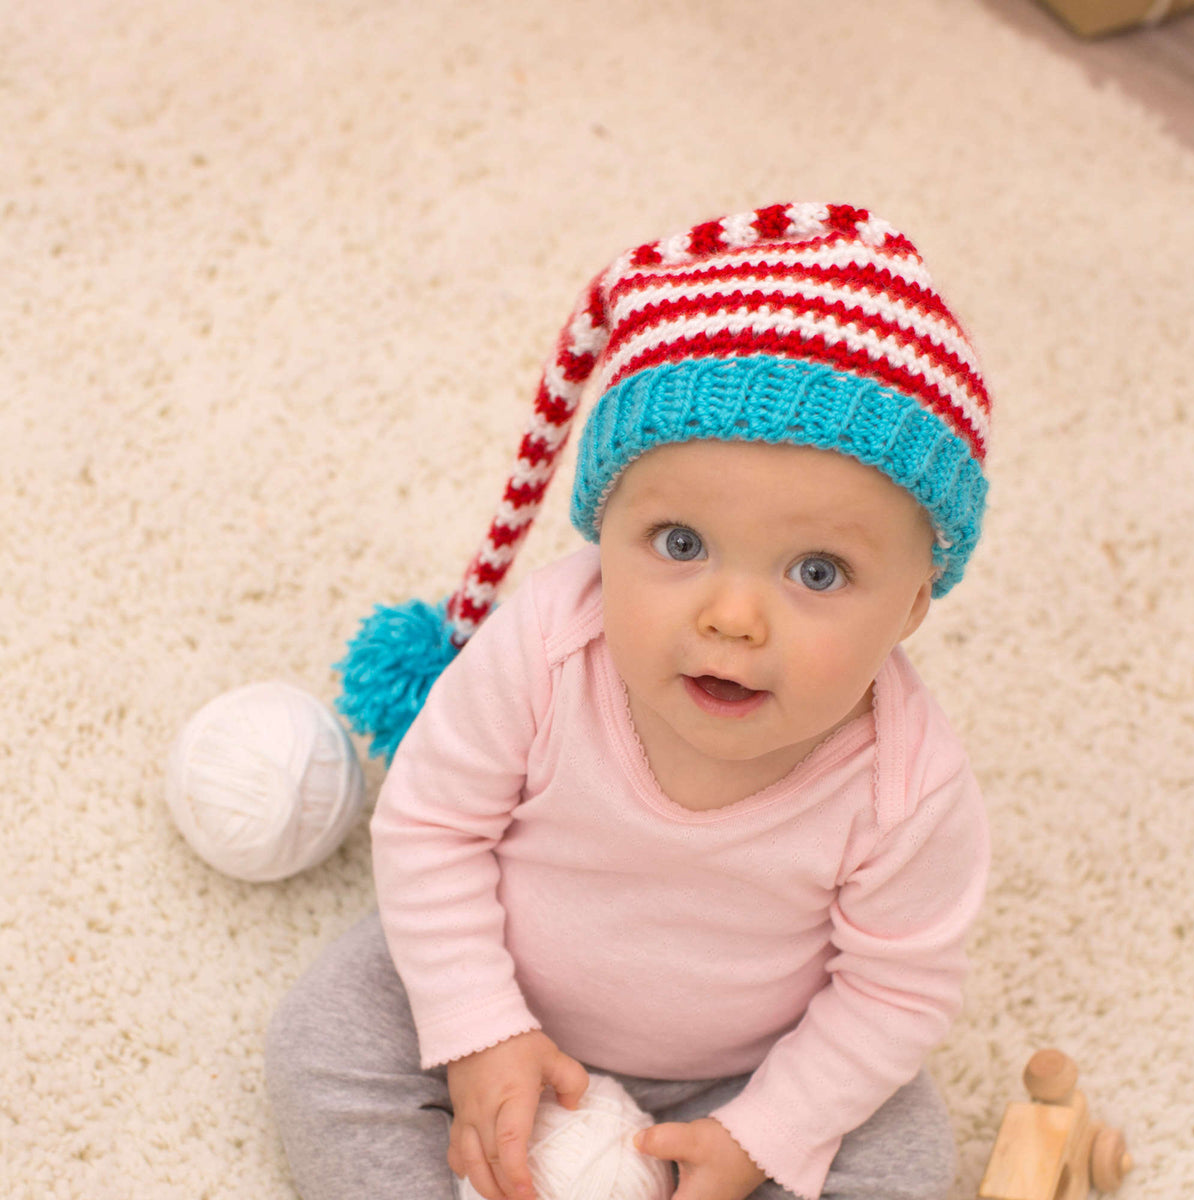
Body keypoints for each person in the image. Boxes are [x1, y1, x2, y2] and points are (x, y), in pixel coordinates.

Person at [266, 202, 992, 1200]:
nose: (733, 617)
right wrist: (479, 1026)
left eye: (818, 572)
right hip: (501, 972)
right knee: (326, 1039)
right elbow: (431, 826)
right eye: (681, 545)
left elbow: (894, 990)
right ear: (603, 527)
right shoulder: (548, 647)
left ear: (914, 603)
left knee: (904, 1150)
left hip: (747, 1060)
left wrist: (763, 1132)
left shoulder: (909, 783)